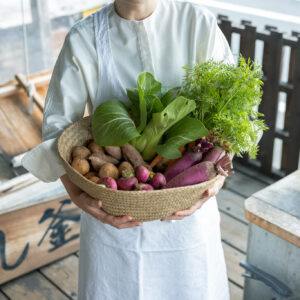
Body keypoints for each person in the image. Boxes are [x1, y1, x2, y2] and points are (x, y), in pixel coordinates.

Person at [22, 0, 235, 299]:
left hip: (189, 216)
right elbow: (58, 130)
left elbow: (233, 118)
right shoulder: (83, 36)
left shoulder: (196, 22)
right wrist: (79, 198)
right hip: (112, 218)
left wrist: (217, 181)